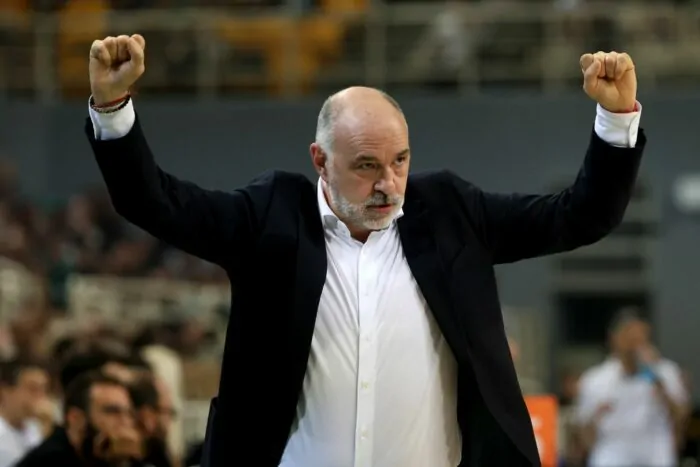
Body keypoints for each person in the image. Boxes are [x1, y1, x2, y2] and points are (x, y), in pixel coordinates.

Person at [85, 33, 646, 467]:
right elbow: (157, 203)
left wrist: (614, 119)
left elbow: (579, 216)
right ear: (320, 160)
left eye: (400, 160)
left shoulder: (451, 213)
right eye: (366, 166)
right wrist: (113, 108)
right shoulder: (270, 218)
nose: (388, 183)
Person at [575, 309, 688, 467]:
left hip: (655, 448)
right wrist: (596, 417)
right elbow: (583, 429)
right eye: (629, 336)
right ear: (614, 338)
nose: (635, 342)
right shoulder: (595, 380)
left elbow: (681, 416)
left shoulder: (666, 372)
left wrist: (656, 378)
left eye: (640, 336)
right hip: (613, 449)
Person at [17, 371, 146, 467]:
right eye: (112, 412)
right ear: (75, 418)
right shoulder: (48, 460)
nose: (125, 422)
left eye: (129, 414)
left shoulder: (108, 457)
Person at [0, 360, 49, 467]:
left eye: (43, 389)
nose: (40, 397)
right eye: (32, 389)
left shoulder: (38, 430)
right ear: (5, 391)